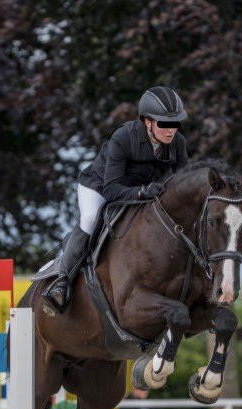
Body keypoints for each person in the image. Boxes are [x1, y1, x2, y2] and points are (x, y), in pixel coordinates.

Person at [43, 86, 189, 314]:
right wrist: (141, 193)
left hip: (142, 191)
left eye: (175, 124)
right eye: (164, 124)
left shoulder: (177, 143)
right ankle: (62, 283)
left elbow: (181, 183)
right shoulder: (124, 137)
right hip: (99, 187)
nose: (171, 131)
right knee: (91, 219)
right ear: (147, 122)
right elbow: (111, 190)